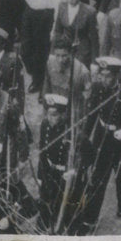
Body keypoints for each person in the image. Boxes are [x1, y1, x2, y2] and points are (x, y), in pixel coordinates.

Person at [78, 56, 121, 231]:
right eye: (102, 75)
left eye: (108, 76)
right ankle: (90, 218)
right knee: (97, 178)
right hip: (102, 138)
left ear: (116, 76)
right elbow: (93, 114)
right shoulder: (97, 89)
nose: (104, 79)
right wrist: (85, 135)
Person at [20, 0, 65, 92]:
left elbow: (59, 6)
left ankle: (38, 81)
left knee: (40, 51)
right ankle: (34, 72)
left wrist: (54, 29)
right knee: (25, 49)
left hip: (45, 16)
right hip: (29, 12)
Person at [36, 94, 82, 233]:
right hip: (50, 169)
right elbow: (42, 151)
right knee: (46, 195)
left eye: (54, 115)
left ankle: (68, 224)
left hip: (66, 173)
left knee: (67, 201)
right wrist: (40, 174)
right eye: (48, 114)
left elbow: (88, 155)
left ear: (63, 114)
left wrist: (73, 172)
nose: (50, 118)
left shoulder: (73, 132)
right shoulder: (45, 125)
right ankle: (47, 218)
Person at [50, 0, 99, 68]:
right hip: (65, 50)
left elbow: (94, 39)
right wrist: (53, 52)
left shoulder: (89, 12)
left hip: (82, 52)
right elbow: (58, 31)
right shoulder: (62, 6)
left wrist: (94, 62)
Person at [41, 39, 92, 121]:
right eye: (57, 55)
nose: (60, 60)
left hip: (73, 111)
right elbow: (46, 87)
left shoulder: (81, 71)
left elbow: (87, 97)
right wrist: (46, 108)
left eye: (64, 56)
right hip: (55, 109)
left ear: (70, 54)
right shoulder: (49, 63)